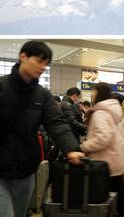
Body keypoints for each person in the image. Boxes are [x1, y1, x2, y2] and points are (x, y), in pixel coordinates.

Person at [0, 41, 84, 217]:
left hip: (26, 169)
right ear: (23, 57)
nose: (42, 67)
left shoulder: (42, 95)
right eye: (39, 61)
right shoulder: (2, 86)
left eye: (46, 64)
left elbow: (57, 123)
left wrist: (71, 149)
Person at [80, 82, 124, 216]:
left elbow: (103, 137)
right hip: (113, 161)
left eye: (94, 91)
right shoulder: (111, 111)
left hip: (104, 163)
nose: (92, 94)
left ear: (99, 93)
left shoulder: (100, 113)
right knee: (121, 202)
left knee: (110, 203)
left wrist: (85, 146)